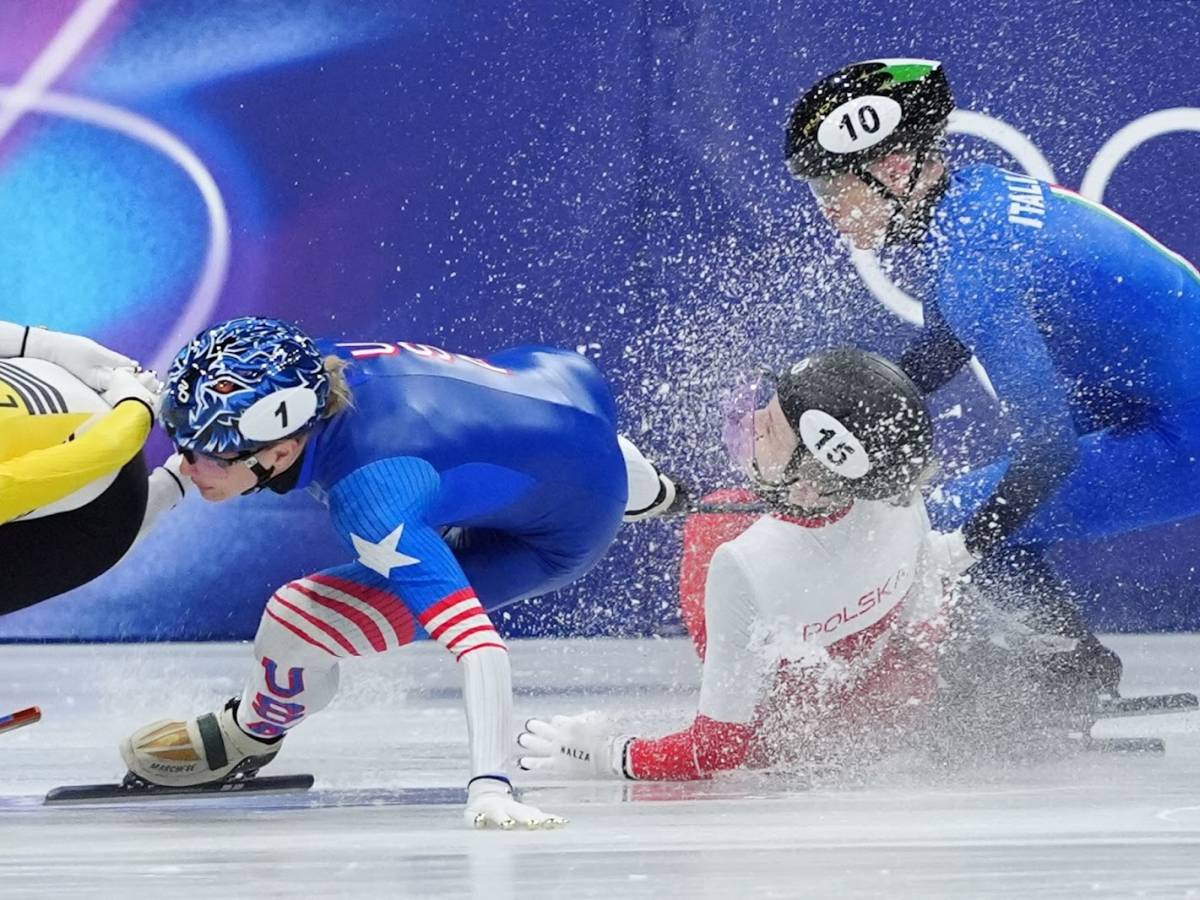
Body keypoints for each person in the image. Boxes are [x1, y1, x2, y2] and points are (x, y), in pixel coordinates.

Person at [119, 316, 681, 828]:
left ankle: (250, 735)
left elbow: (479, 648)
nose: (190, 464)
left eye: (207, 456)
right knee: (557, 459)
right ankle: (652, 487)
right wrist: (161, 492)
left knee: (293, 619)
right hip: (565, 383)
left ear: (284, 453)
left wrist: (491, 786)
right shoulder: (307, 364)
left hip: (553, 538)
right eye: (182, 443)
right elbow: (223, 429)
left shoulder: (373, 499)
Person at [783, 59, 1200, 577]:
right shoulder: (971, 201)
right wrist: (835, 427)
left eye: (831, 188)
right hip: (1152, 393)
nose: (826, 211)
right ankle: (1051, 651)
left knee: (945, 517)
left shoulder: (972, 269)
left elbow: (1050, 452)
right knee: (986, 502)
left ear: (893, 168)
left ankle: (1057, 657)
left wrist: (957, 551)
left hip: (1181, 423)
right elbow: (942, 351)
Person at [517, 348, 952, 781]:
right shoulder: (899, 493)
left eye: (768, 428)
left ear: (810, 484)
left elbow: (715, 751)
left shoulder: (744, 561)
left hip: (789, 733)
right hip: (892, 700)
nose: (752, 422)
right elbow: (926, 614)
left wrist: (607, 754)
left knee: (720, 514)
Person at [0, 321, 188, 614]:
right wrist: (137, 403)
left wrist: (41, 344)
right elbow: (104, 449)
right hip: (85, 416)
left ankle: (168, 487)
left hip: (106, 509)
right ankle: (172, 484)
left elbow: (106, 451)